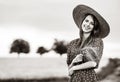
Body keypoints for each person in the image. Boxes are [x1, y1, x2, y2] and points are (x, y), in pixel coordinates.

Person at [67, 4, 110, 82]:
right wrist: (74, 61)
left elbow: (93, 63)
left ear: (94, 27)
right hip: (74, 79)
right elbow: (69, 71)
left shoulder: (97, 41)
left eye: (92, 23)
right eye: (86, 21)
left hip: (88, 79)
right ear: (82, 21)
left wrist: (74, 68)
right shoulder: (72, 44)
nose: (88, 25)